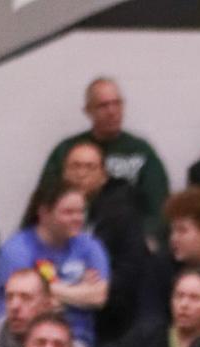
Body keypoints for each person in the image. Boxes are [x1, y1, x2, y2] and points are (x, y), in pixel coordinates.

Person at [39, 78, 170, 240]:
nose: (112, 111)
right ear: (88, 110)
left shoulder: (140, 151)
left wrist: (146, 238)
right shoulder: (68, 150)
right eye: (103, 106)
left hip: (129, 239)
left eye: (117, 104)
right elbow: (45, 200)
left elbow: (158, 206)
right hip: (72, 237)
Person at [0, 183, 110, 347]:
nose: (78, 218)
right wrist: (79, 290)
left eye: (81, 211)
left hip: (77, 341)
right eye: (68, 212)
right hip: (20, 342)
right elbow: (22, 293)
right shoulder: (16, 249)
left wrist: (48, 291)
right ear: (44, 213)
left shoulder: (89, 246)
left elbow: (99, 296)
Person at [58, 139, 151, 347]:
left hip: (111, 317)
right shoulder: (49, 211)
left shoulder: (122, 215)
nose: (81, 173)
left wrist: (100, 281)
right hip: (57, 313)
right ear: (64, 172)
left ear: (103, 176)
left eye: (89, 167)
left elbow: (132, 267)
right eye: (75, 166)